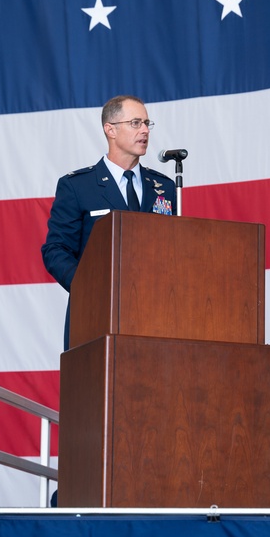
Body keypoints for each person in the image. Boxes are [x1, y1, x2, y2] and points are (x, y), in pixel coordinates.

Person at [41, 95, 177, 350]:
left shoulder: (164, 188)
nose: (145, 130)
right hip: (97, 315)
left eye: (147, 123)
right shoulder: (78, 186)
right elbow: (56, 250)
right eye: (135, 123)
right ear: (110, 130)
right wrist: (90, 287)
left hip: (155, 315)